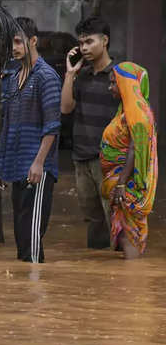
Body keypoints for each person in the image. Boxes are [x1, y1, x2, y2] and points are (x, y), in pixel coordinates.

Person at [0, 17, 61, 263]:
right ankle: (23, 297)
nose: (13, 47)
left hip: (37, 169)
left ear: (33, 41)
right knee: (22, 238)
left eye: (17, 41)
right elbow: (7, 124)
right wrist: (1, 166)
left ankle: (35, 294)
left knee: (32, 244)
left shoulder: (47, 77)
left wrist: (39, 163)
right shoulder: (12, 78)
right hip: (16, 167)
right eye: (11, 42)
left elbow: (53, 126)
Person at [61, 16, 119, 249]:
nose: (84, 47)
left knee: (114, 215)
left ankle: (121, 267)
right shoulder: (81, 75)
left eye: (89, 42)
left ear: (104, 41)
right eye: (81, 43)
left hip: (109, 159)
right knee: (93, 217)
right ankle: (98, 261)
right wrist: (70, 73)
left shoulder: (119, 75)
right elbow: (66, 108)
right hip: (81, 157)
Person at [101, 62, 157, 259]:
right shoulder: (126, 111)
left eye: (113, 83)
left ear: (125, 84)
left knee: (129, 241)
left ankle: (131, 283)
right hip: (122, 186)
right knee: (125, 239)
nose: (110, 88)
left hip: (128, 189)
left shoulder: (138, 114)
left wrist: (122, 184)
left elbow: (136, 148)